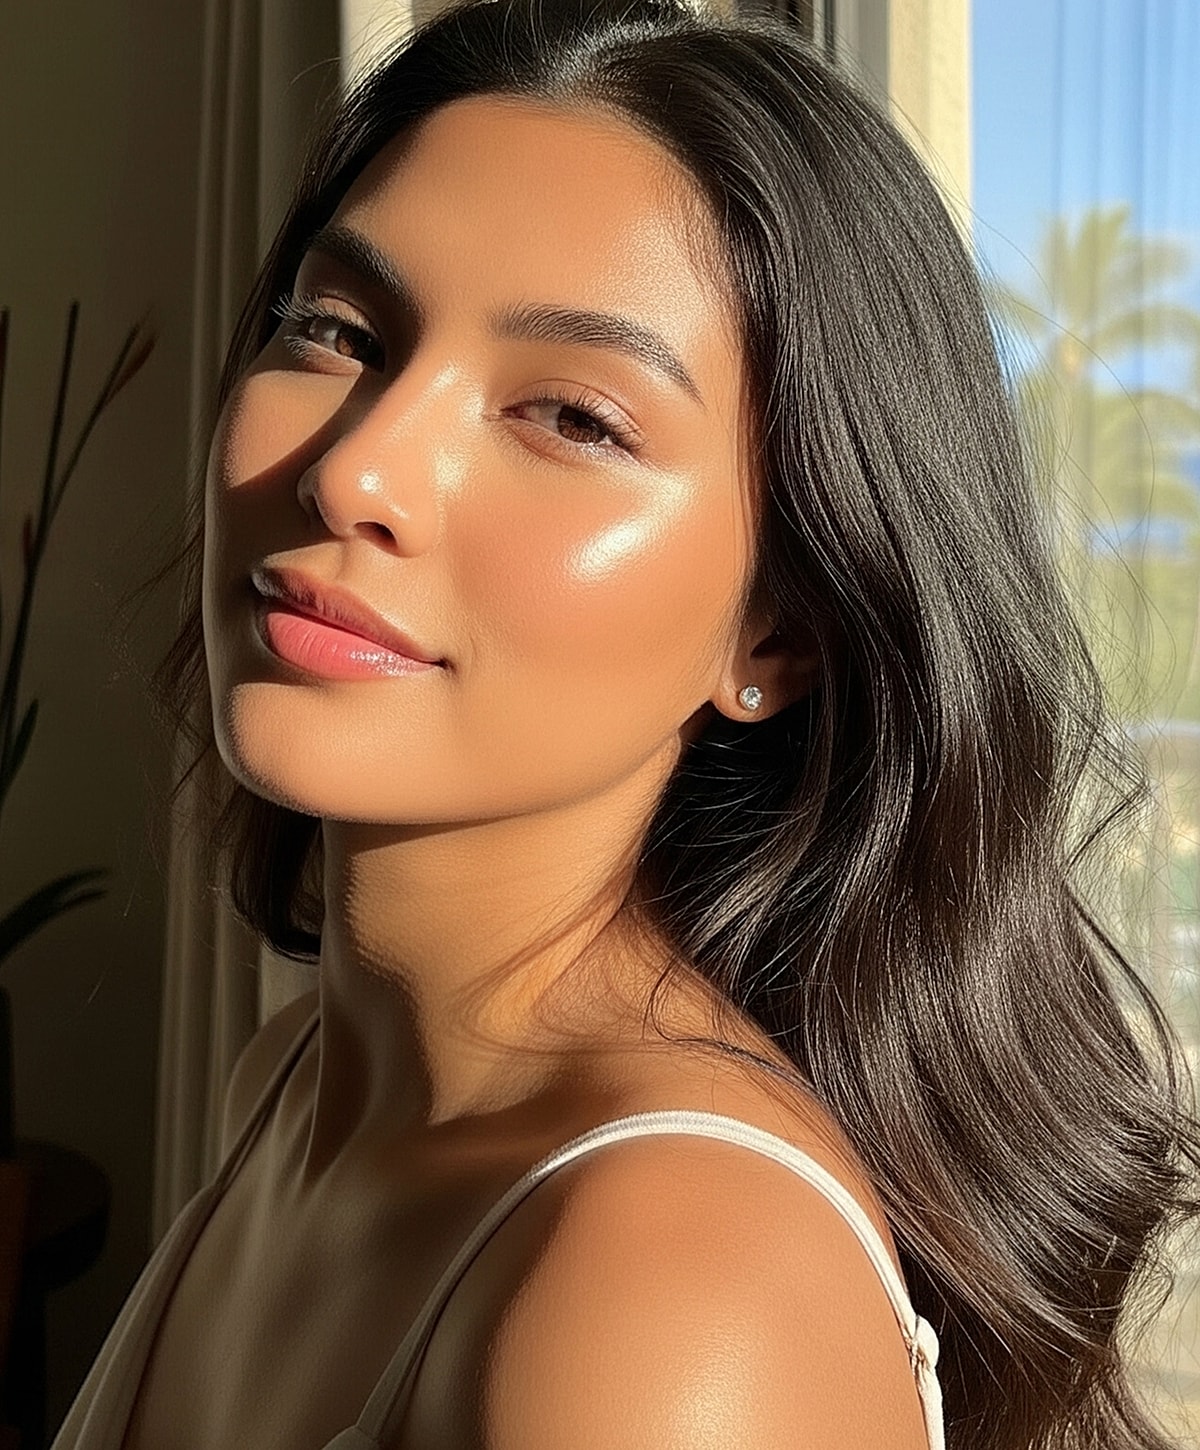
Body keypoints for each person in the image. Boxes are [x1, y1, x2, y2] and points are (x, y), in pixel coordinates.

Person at [52, 1, 1200, 1447]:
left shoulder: (666, 1293)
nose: (358, 472)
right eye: (339, 330)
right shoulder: (285, 1088)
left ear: (774, 634)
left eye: (574, 417)